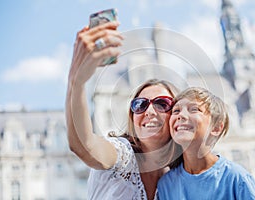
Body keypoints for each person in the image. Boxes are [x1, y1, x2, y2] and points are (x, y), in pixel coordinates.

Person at [66, 20, 180, 200]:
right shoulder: (122, 156)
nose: (149, 111)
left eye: (161, 103)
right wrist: (76, 82)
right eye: (140, 104)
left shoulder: (176, 177)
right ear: (132, 118)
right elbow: (84, 146)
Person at [157, 87, 255, 200]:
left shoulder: (237, 179)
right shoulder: (166, 185)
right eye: (176, 111)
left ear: (216, 127)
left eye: (194, 109)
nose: (181, 115)